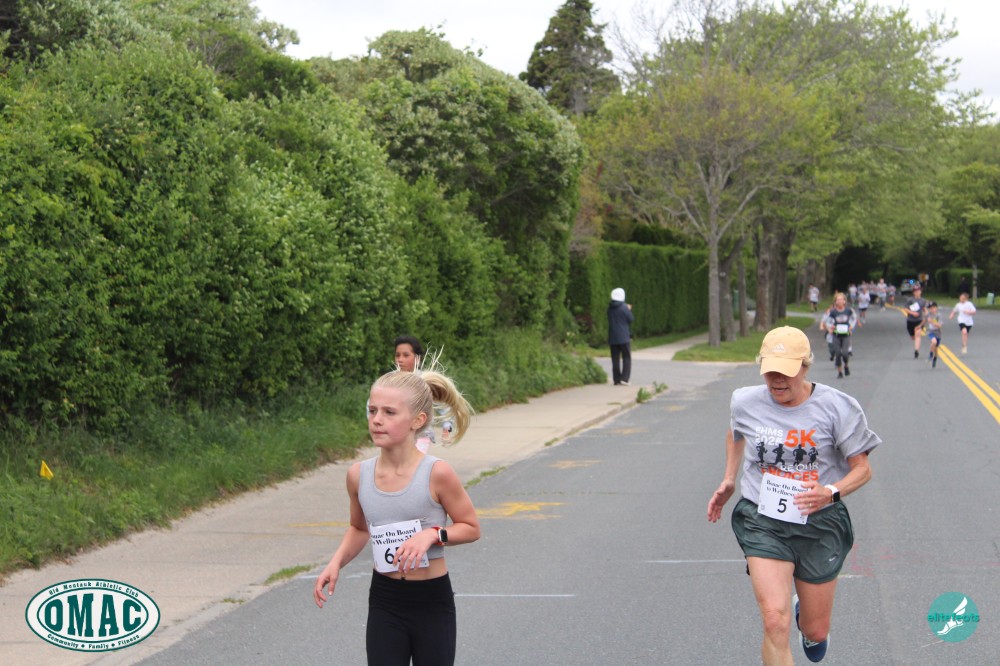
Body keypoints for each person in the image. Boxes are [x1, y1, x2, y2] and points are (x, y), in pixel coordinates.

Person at [707, 326, 881, 665]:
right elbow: (735, 432)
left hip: (820, 521)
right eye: (770, 370)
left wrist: (830, 493)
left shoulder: (837, 407)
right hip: (763, 520)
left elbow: (863, 469)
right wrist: (729, 478)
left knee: (816, 632)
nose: (777, 380)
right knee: (774, 620)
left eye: (786, 371)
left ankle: (807, 621)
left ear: (805, 366)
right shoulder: (745, 401)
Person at [314, 370, 479, 666]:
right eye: (372, 410)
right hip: (385, 599)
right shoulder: (358, 475)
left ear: (417, 420)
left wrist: (432, 534)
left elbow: (470, 528)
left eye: (389, 412)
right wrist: (335, 562)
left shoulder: (437, 473)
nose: (377, 420)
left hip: (431, 601)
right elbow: (359, 528)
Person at [823, 293, 856, 378]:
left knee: (845, 353)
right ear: (835, 302)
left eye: (841, 299)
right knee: (837, 353)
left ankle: (846, 365)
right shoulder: (833, 312)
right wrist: (830, 328)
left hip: (846, 335)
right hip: (836, 335)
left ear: (844, 301)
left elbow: (854, 318)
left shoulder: (849, 311)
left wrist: (851, 327)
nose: (840, 301)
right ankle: (840, 372)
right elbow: (827, 321)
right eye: (838, 300)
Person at [608, 287, 634, 386]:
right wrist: (629, 309)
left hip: (613, 336)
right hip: (623, 337)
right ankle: (625, 378)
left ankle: (616, 379)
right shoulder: (624, 307)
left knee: (615, 359)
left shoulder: (609, 308)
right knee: (626, 357)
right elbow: (630, 319)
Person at [901, 283, 928, 358]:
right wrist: (912, 313)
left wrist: (926, 313)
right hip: (910, 321)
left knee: (918, 335)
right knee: (913, 337)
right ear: (913, 292)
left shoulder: (923, 300)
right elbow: (905, 308)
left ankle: (916, 350)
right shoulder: (910, 300)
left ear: (921, 291)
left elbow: (924, 308)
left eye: (919, 290)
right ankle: (914, 341)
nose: (917, 292)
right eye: (915, 291)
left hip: (919, 321)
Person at [923, 302, 943, 368]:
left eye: (933, 308)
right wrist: (920, 326)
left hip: (938, 332)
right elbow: (924, 320)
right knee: (934, 342)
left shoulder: (939, 315)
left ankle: (935, 358)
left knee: (936, 347)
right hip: (930, 331)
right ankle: (930, 355)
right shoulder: (928, 315)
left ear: (936, 308)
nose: (932, 310)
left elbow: (940, 325)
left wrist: (932, 322)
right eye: (930, 308)